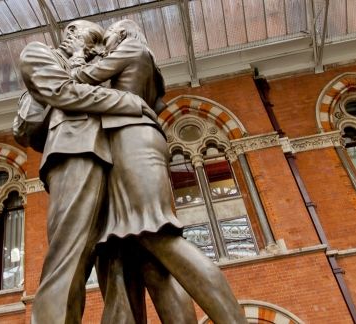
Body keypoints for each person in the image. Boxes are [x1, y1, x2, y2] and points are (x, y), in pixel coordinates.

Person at [71, 19, 247, 324]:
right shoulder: (145, 63)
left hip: (130, 141)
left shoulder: (130, 48)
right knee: (145, 264)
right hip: (132, 142)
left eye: (108, 36)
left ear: (123, 33)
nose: (104, 43)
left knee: (157, 235)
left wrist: (77, 54)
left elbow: (80, 79)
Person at [19, 20, 155, 324]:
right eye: (92, 41)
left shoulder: (99, 64)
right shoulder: (39, 54)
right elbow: (62, 94)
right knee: (69, 256)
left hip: (118, 159)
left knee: (122, 263)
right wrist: (128, 101)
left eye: (99, 47)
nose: (97, 51)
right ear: (70, 33)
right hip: (75, 151)